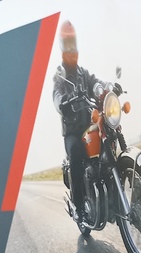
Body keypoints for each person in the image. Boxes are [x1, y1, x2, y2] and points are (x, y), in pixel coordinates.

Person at [52, 20, 101, 222]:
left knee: (106, 138)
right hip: (72, 132)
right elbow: (56, 96)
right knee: (75, 153)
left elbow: (95, 82)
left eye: (73, 44)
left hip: (88, 126)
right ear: (62, 47)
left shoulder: (83, 74)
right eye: (68, 45)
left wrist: (103, 88)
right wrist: (62, 102)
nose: (72, 50)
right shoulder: (60, 77)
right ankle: (80, 207)